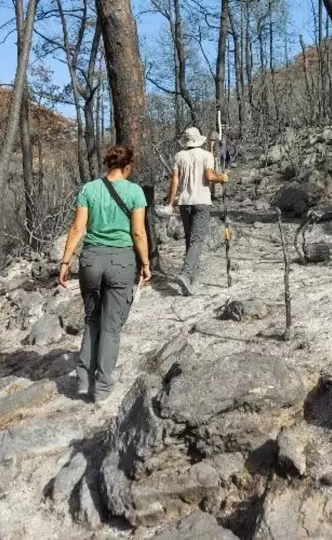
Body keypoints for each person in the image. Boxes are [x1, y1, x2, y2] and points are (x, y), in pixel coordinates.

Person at [59, 144, 152, 404]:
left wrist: (65, 262)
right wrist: (145, 263)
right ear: (128, 166)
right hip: (121, 262)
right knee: (111, 327)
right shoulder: (135, 192)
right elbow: (138, 233)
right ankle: (102, 388)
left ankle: (83, 381)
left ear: (108, 164)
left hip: (91, 261)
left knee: (92, 321)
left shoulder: (89, 189)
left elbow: (77, 228)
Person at [166, 126, 228, 295]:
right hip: (201, 202)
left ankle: (193, 281)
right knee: (197, 241)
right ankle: (186, 274)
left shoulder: (179, 156)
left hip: (184, 203)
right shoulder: (206, 156)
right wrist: (222, 177)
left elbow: (175, 182)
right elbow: (209, 176)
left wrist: (170, 202)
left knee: (190, 241)